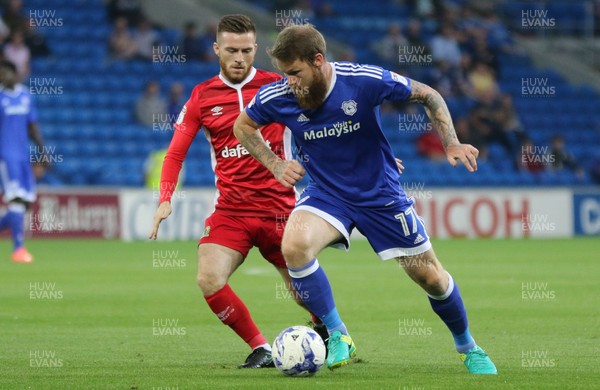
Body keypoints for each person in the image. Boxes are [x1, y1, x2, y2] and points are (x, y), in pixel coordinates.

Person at [233, 24, 497, 374]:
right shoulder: (277, 96)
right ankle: (339, 334)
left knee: (431, 278)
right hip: (327, 194)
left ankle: (469, 347)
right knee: (294, 245)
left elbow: (429, 94)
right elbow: (243, 126)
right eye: (285, 74)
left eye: (295, 72)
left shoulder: (363, 80)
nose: (290, 82)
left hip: (380, 193)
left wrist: (450, 141)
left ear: (318, 60)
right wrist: (275, 163)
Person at [148, 14, 327, 369]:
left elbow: (325, 125)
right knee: (208, 277)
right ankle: (261, 347)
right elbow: (175, 152)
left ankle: (331, 332)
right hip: (232, 210)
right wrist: (165, 199)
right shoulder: (202, 97)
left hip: (280, 209)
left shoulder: (279, 85)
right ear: (217, 49)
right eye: (231, 50)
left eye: (246, 50)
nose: (239, 58)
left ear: (256, 49)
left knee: (302, 291)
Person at [0, 60, 45, 263]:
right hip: (5, 156)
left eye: (5, 72)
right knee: (15, 199)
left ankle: (18, 248)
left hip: (23, 156)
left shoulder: (26, 95)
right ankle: (18, 250)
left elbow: (32, 125)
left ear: (14, 73)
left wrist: (42, 151)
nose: (2, 75)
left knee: (24, 203)